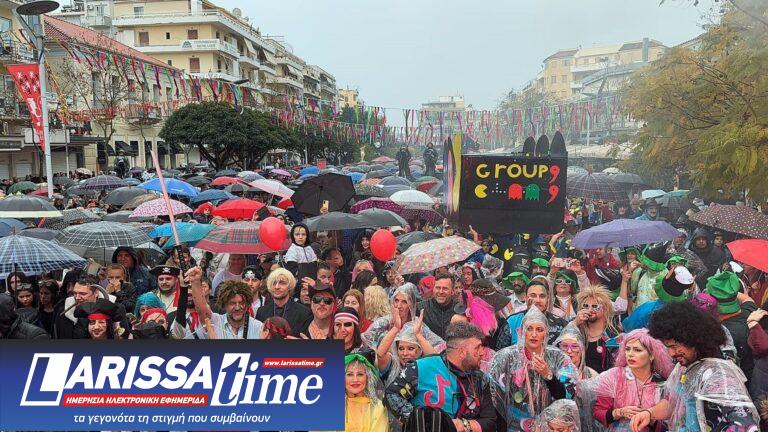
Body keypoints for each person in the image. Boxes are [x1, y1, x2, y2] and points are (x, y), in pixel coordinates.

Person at [636, 301, 760, 432]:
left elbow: (745, 425)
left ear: (694, 340)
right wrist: (649, 413)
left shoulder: (718, 376)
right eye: (667, 347)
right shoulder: (686, 367)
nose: (671, 353)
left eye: (674, 346)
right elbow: (673, 401)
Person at [385, 322, 497, 432]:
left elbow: (490, 421)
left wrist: (462, 425)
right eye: (477, 348)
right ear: (462, 352)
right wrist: (416, 418)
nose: (482, 352)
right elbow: (392, 394)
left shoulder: (480, 379)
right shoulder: (420, 368)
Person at [490, 307, 572, 432]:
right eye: (529, 329)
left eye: (539, 330)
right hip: (513, 425)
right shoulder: (505, 357)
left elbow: (564, 398)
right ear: (522, 332)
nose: (534, 334)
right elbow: (496, 399)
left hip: (548, 425)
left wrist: (548, 375)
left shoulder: (557, 357)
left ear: (546, 334)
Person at [593, 328, 673, 432]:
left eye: (637, 350)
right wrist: (619, 412)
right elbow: (598, 413)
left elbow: (671, 422)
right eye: (627, 349)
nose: (630, 354)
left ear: (652, 355)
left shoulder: (662, 383)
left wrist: (650, 418)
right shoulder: (613, 376)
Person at [186, 267, 263, 339]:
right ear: (224, 304)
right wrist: (195, 281)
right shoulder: (215, 321)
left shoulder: (258, 327)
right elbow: (202, 309)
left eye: (241, 303)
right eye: (232, 303)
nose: (237, 307)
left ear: (247, 304)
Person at [706, 271, 756, 380]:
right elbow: (747, 299)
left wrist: (719, 291)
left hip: (738, 381)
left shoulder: (721, 333)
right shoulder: (750, 311)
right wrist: (728, 290)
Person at [506, 278, 568, 345]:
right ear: (525, 298)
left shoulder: (561, 324)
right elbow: (501, 350)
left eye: (542, 296)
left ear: (547, 299)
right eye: (533, 296)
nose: (538, 300)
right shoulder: (512, 321)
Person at [255, 268, 312, 336]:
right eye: (273, 283)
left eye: (282, 283)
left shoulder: (304, 313)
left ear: (290, 286)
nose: (277, 287)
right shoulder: (261, 311)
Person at [345, 352, 389, 432]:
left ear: (368, 378)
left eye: (360, 374)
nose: (355, 379)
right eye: (350, 374)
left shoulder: (377, 407)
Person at [415, 272, 457, 340]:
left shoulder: (459, 310)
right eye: (438, 288)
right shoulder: (420, 308)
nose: (440, 292)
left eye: (445, 288)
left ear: (452, 291)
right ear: (433, 289)